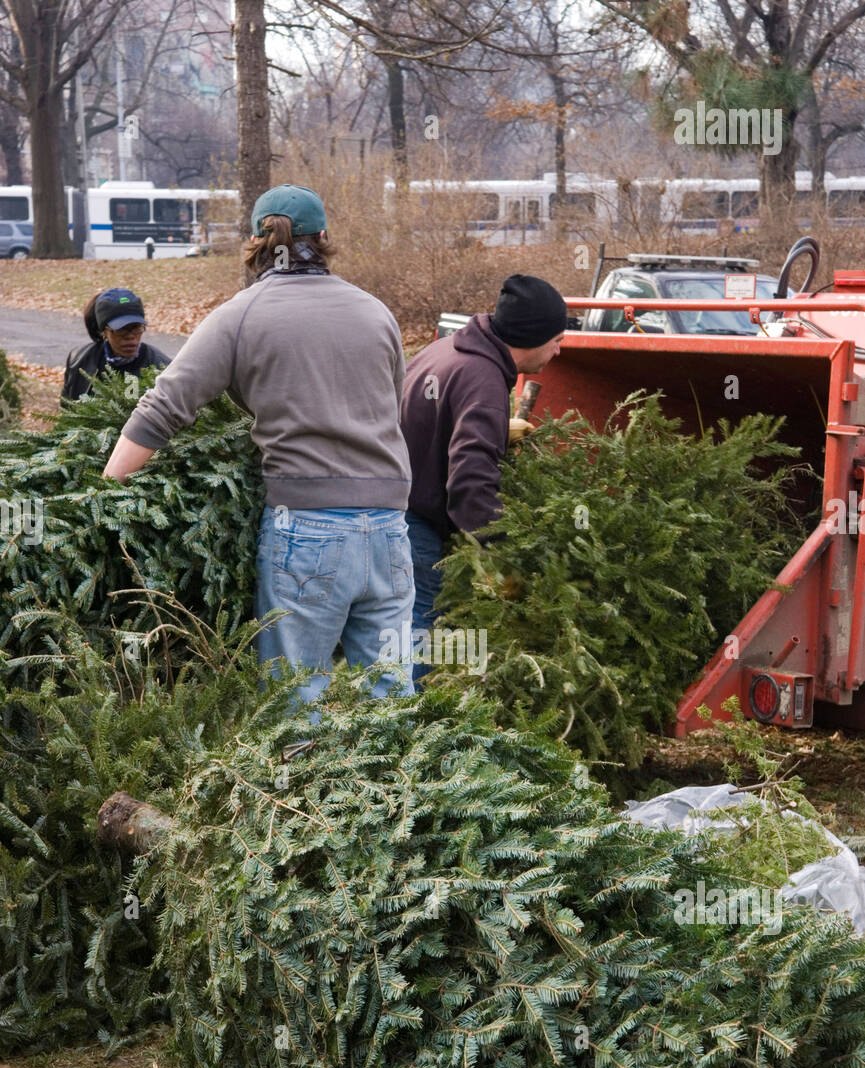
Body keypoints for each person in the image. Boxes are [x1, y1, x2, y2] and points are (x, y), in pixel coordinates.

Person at [101, 183, 414, 703]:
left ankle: (296, 785)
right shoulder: (376, 312)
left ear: (254, 243)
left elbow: (162, 408)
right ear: (326, 238)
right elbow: (390, 405)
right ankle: (403, 782)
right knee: (391, 697)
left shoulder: (241, 315)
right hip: (388, 528)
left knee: (295, 699)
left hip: (307, 530)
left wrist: (105, 490)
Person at [400, 274, 567, 679]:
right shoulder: (484, 380)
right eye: (556, 339)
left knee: (398, 637)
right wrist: (504, 555)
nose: (560, 349)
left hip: (390, 509)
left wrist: (493, 429)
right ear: (531, 336)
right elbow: (470, 484)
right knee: (419, 643)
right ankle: (409, 732)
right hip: (415, 527)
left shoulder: (446, 349)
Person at [62, 288, 172, 402]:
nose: (130, 337)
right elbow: (68, 410)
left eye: (136, 328)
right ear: (103, 332)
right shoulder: (79, 360)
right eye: (121, 329)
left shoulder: (163, 369)